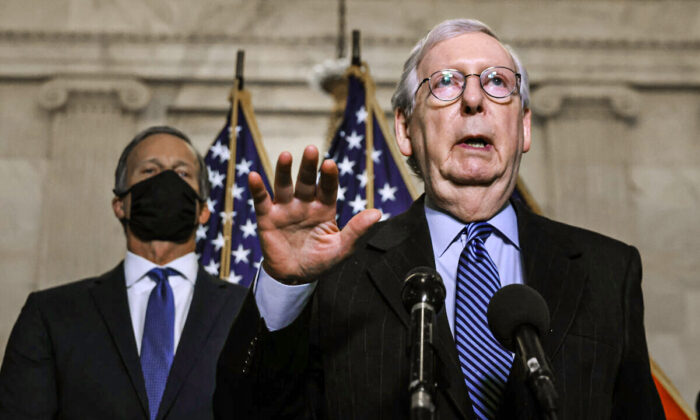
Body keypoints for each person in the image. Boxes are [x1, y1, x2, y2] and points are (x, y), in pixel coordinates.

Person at [214, 19, 664, 419]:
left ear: (523, 126)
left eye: (497, 82)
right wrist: (285, 286)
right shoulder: (339, 274)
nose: (473, 99)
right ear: (406, 130)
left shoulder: (608, 271)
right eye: (446, 83)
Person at [0, 126, 248, 419]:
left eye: (182, 174)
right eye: (150, 171)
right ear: (120, 204)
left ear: (204, 210)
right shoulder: (51, 314)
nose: (166, 181)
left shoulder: (248, 310)